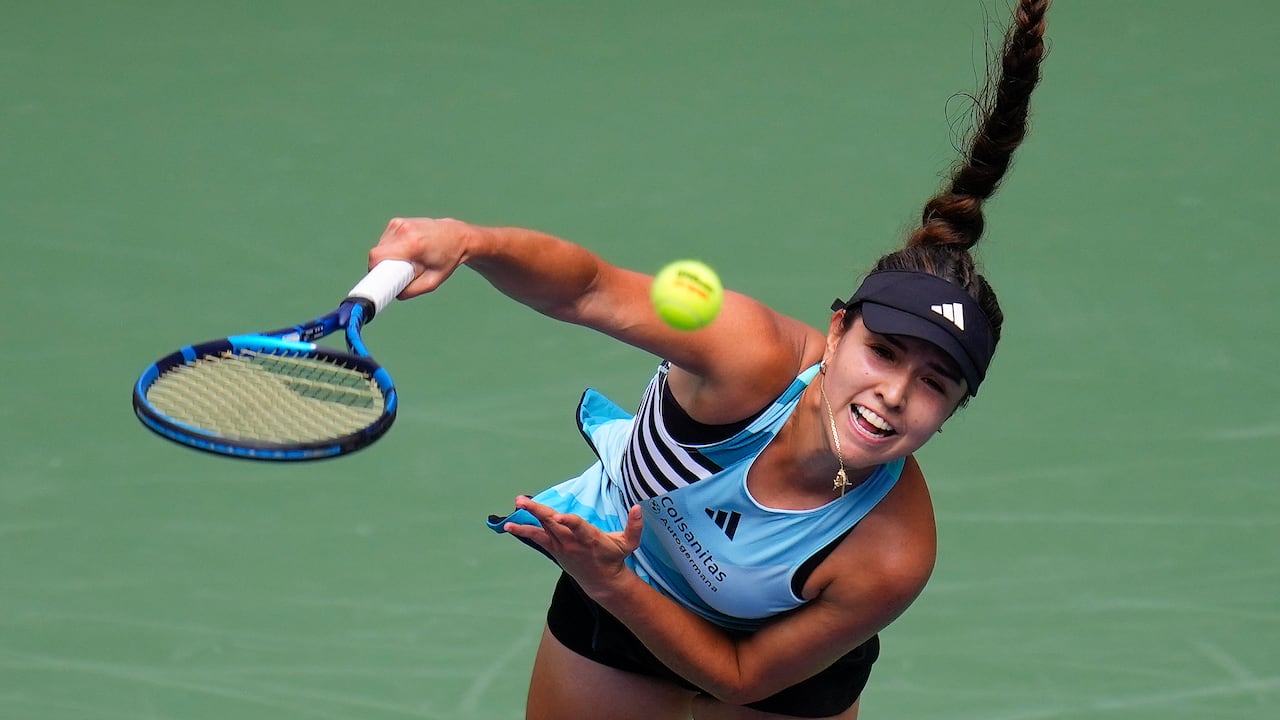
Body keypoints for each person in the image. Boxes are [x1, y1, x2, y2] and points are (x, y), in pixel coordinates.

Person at [369, 2, 1050, 717]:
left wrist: (611, 582)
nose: (894, 394)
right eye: (882, 353)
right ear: (838, 329)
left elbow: (741, 676)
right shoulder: (747, 361)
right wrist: (471, 241)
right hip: (622, 584)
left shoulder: (889, 553)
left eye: (934, 384)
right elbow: (589, 290)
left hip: (768, 664)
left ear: (951, 413)